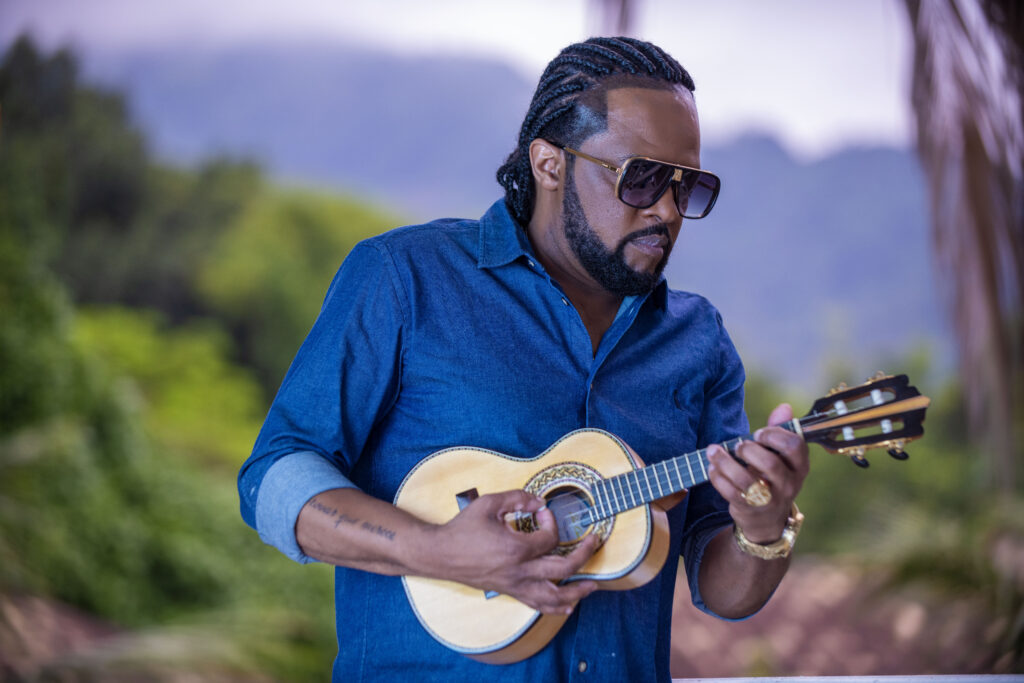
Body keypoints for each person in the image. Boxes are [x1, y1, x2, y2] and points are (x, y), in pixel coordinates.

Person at [238, 36, 809, 682]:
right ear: (548, 164)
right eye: (642, 178)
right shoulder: (405, 278)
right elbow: (273, 479)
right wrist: (435, 549)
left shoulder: (698, 338)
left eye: (689, 187)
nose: (667, 210)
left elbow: (724, 590)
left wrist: (764, 527)